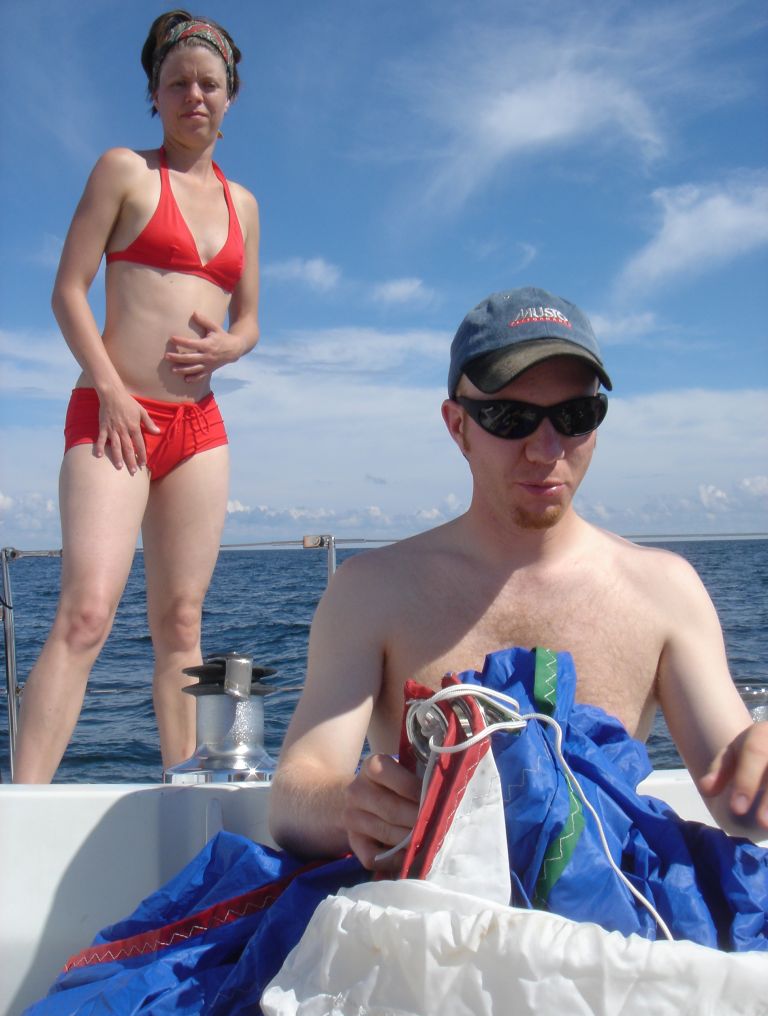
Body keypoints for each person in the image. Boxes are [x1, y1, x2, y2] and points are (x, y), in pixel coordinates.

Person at [270, 285, 768, 866]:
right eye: (511, 418)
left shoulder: (665, 591)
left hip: (612, 908)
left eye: (575, 417)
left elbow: (740, 797)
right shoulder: (371, 592)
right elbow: (294, 797)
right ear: (458, 426)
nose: (546, 449)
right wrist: (351, 808)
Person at [13, 10, 260, 782]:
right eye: (178, 83)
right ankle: (21, 810)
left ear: (230, 95)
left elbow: (250, 320)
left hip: (200, 429)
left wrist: (231, 346)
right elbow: (67, 291)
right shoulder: (124, 171)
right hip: (112, 419)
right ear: (154, 93)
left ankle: (185, 797)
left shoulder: (246, 205)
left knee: (182, 623)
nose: (195, 96)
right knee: (86, 613)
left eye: (209, 84)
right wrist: (113, 390)